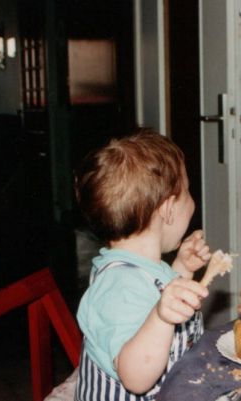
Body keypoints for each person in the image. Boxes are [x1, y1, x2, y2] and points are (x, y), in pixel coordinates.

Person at [74, 130, 212, 401]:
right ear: (168, 208)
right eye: (188, 192)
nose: (192, 202)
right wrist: (161, 318)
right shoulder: (117, 288)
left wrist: (182, 269)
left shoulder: (143, 266)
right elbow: (137, 378)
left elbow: (151, 297)